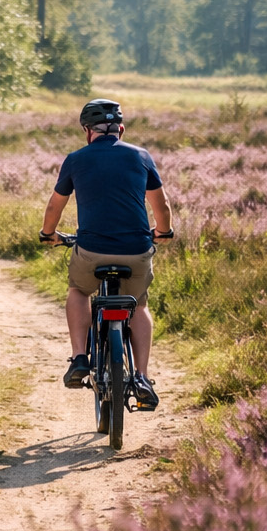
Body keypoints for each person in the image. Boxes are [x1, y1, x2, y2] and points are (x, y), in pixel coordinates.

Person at [39, 98, 173, 411]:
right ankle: (141, 376)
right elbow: (162, 207)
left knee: (79, 290)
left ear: (88, 131)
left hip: (91, 250)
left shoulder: (76, 159)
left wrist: (48, 235)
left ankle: (80, 358)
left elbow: (53, 206)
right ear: (121, 130)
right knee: (138, 305)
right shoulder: (141, 156)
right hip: (136, 251)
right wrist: (163, 232)